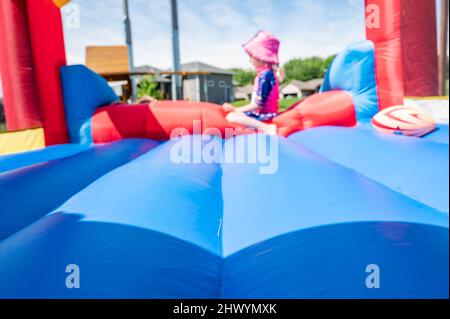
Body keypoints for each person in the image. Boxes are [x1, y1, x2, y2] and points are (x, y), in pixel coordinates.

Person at [223, 31, 282, 135]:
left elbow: (258, 104)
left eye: (251, 57)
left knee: (231, 117)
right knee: (234, 114)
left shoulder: (265, 75)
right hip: (265, 113)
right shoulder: (265, 74)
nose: (250, 61)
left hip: (267, 115)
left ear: (260, 58)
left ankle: (266, 127)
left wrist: (236, 110)